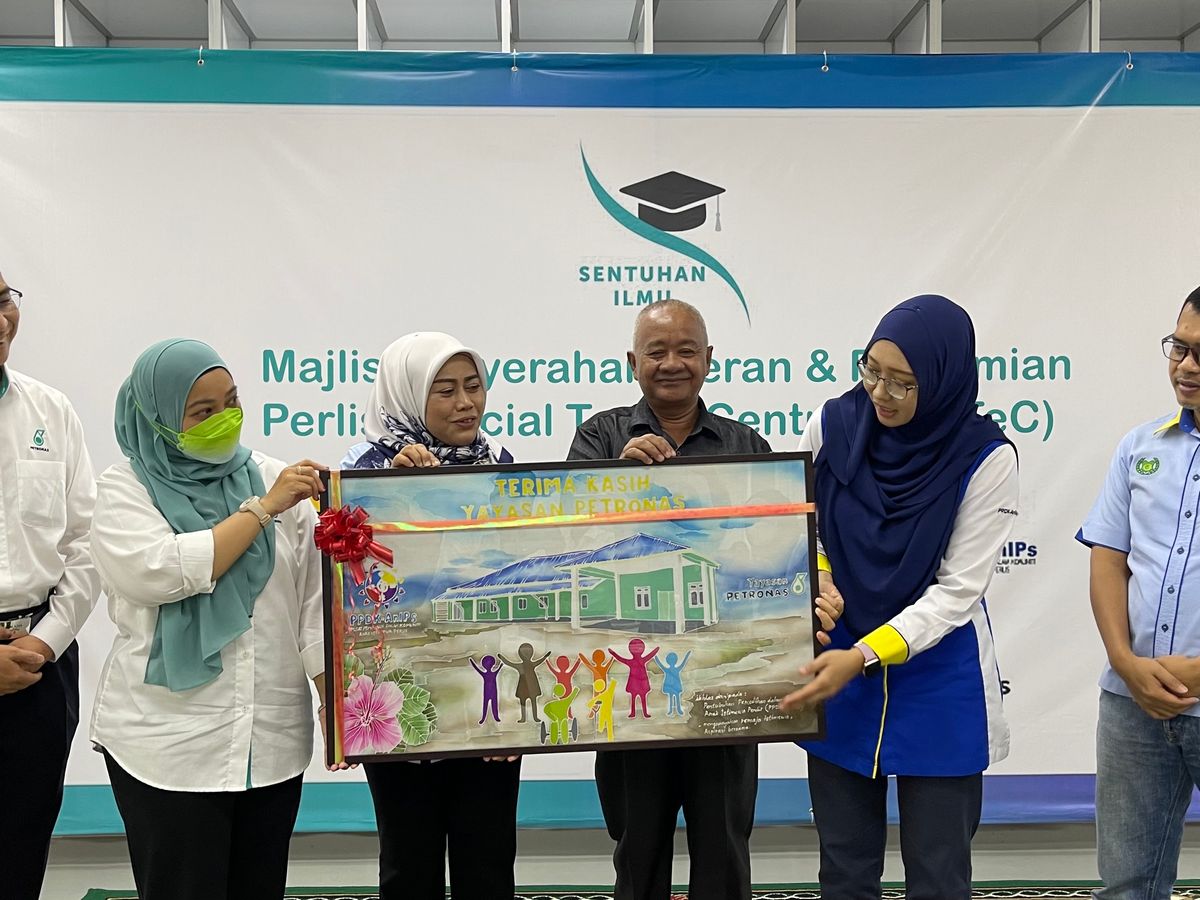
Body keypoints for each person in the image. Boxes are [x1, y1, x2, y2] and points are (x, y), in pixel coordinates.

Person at [567, 298, 841, 900]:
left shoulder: (748, 446)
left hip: (727, 700)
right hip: (631, 704)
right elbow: (574, 543)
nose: (672, 363)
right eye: (657, 352)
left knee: (724, 850)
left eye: (686, 350)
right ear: (632, 362)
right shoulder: (600, 437)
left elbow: (785, 548)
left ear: (710, 359)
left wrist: (814, 588)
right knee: (637, 852)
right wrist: (618, 480)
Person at [780, 294, 1018, 900]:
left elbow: (957, 591)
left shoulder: (986, 458)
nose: (879, 394)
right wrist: (821, 574)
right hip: (839, 670)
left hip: (937, 678)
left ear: (941, 380)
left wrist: (863, 655)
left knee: (938, 875)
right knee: (844, 870)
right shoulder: (831, 425)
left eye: (902, 383)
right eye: (871, 371)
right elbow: (801, 523)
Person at [89, 338, 333, 900]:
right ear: (157, 418)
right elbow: (161, 572)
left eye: (232, 402)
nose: (224, 419)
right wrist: (260, 510)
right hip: (169, 745)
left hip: (270, 741)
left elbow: (312, 609)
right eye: (202, 412)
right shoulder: (125, 489)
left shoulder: (273, 476)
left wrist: (335, 706)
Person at [343, 330, 521, 900]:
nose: (466, 403)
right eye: (444, 391)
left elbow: (514, 570)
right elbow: (353, 589)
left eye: (473, 386)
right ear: (407, 396)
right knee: (408, 862)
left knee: (488, 860)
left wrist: (517, 705)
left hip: (489, 692)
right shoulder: (363, 474)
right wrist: (397, 489)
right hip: (399, 694)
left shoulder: (502, 466)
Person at [1077, 286, 1200, 900]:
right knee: (1127, 886)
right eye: (1179, 347)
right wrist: (1125, 663)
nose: (1186, 366)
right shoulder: (1140, 446)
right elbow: (1108, 559)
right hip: (1132, 704)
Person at [0, 272, 101, 900]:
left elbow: (85, 544)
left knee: (20, 851)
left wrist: (45, 642)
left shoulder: (50, 410)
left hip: (39, 664)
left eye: (3, 300)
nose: (1, 321)